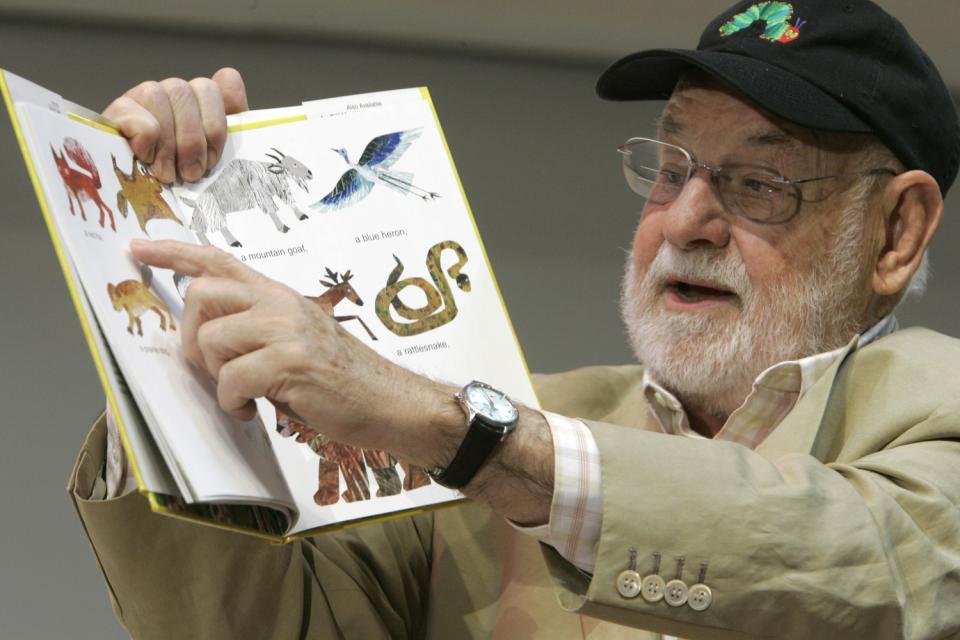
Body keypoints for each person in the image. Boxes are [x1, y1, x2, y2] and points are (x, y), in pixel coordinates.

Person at [69, 1, 960, 638]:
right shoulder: (529, 414)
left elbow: (867, 565)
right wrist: (154, 297)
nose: (686, 221)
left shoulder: (931, 409)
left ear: (896, 231)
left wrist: (460, 433)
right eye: (670, 164)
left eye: (760, 183)